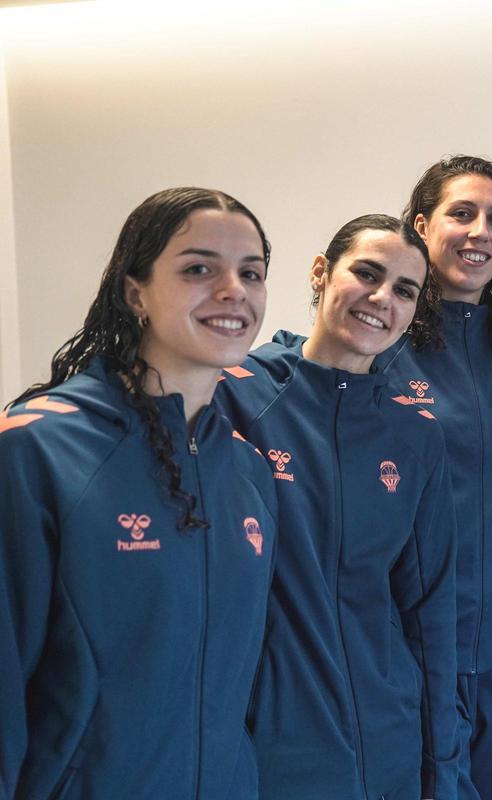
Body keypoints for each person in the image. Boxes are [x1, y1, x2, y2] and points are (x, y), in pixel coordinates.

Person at [0, 187, 277, 798]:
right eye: (199, 268)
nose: (234, 290)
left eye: (251, 272)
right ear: (135, 292)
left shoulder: (250, 474)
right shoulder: (38, 449)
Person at [214, 215, 458, 800]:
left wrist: (441, 767)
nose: (382, 299)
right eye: (367, 274)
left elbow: (430, 608)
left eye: (404, 290)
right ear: (321, 272)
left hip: (388, 735)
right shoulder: (231, 396)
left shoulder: (416, 436)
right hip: (271, 742)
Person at [385, 155, 492, 800]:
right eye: (462, 214)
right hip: (407, 641)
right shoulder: (384, 343)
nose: (479, 231)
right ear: (423, 225)